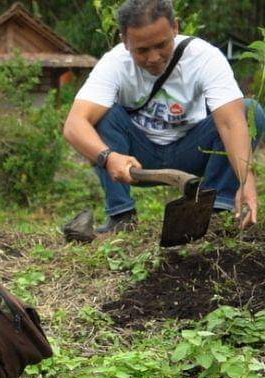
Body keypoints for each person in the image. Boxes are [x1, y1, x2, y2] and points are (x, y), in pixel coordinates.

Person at [63, 0, 264, 232]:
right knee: (102, 116)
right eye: (142, 50)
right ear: (124, 41)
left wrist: (245, 179)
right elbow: (74, 124)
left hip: (193, 151)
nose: (154, 57)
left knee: (249, 111)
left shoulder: (205, 57)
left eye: (161, 45)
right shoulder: (114, 64)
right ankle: (122, 217)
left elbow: (230, 123)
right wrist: (109, 157)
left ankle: (215, 212)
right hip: (136, 159)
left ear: (175, 28)